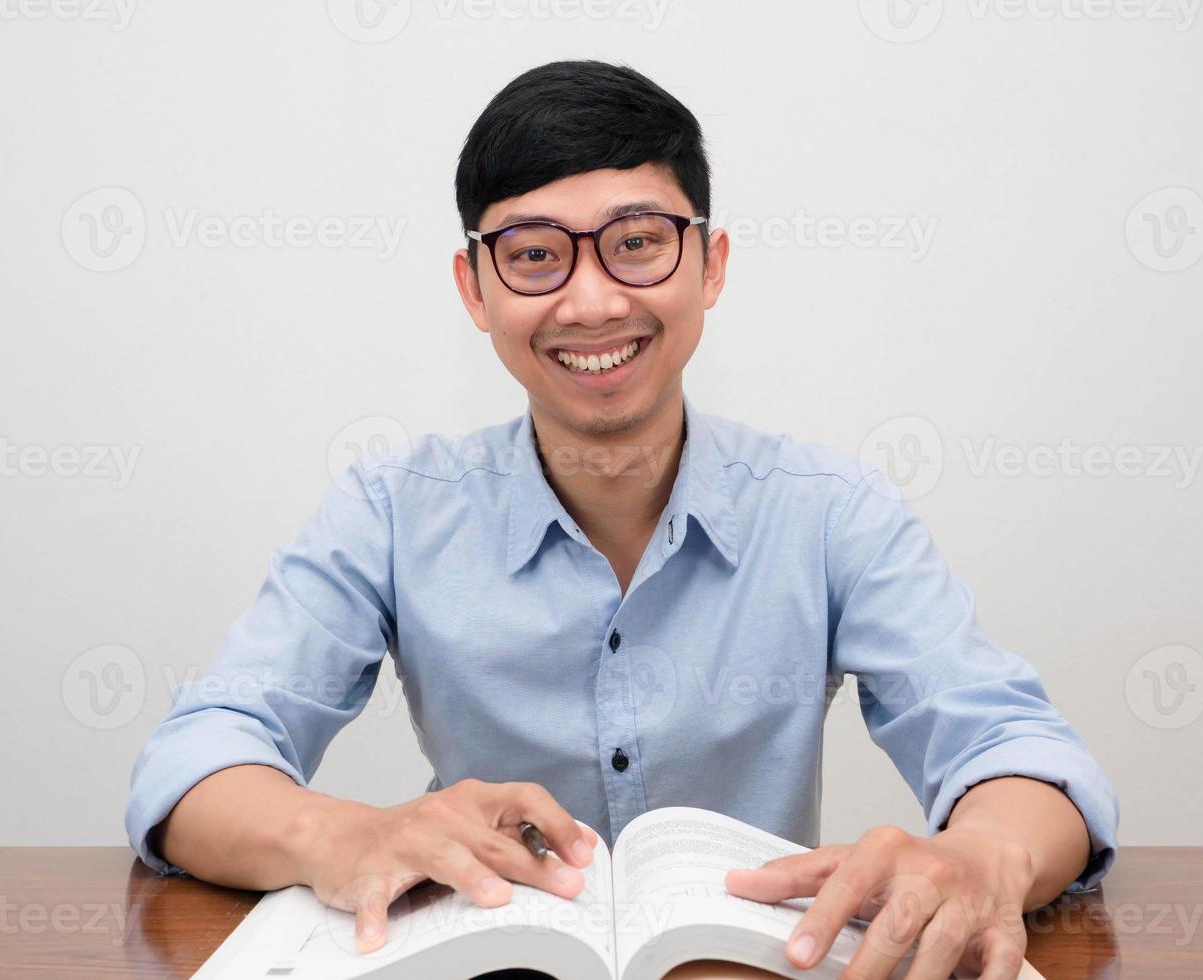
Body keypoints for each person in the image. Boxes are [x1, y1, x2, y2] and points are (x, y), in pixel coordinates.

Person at [126, 60, 1118, 980]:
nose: (591, 300)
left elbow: (1014, 747)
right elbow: (195, 758)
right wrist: (339, 836)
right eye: (534, 255)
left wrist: (984, 851)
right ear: (474, 288)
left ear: (709, 264)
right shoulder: (391, 511)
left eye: (637, 243)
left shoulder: (828, 510)